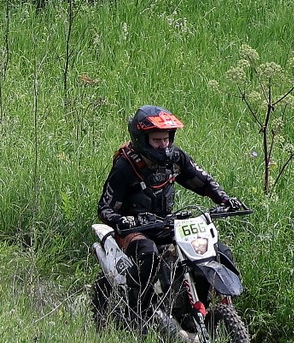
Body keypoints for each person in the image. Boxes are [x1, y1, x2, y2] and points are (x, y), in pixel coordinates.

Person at [99, 106, 244, 312]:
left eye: (166, 139)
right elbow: (105, 208)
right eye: (157, 140)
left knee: (214, 248)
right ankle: (139, 314)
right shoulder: (126, 166)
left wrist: (225, 199)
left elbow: (202, 181)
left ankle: (198, 307)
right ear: (142, 139)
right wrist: (121, 220)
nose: (163, 145)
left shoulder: (175, 158)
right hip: (134, 230)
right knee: (147, 255)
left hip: (166, 223)